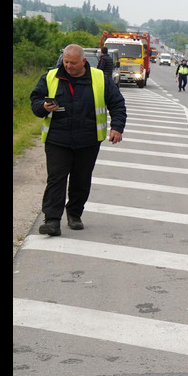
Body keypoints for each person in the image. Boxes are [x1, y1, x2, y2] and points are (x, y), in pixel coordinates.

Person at [30, 44, 127, 236]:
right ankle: (52, 220)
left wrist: (117, 127)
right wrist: (43, 106)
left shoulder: (100, 79)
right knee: (56, 179)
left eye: (73, 63)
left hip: (88, 139)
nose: (68, 66)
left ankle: (74, 214)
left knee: (81, 180)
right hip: (57, 138)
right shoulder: (51, 77)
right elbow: (35, 100)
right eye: (65, 61)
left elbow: (117, 103)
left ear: (83, 61)